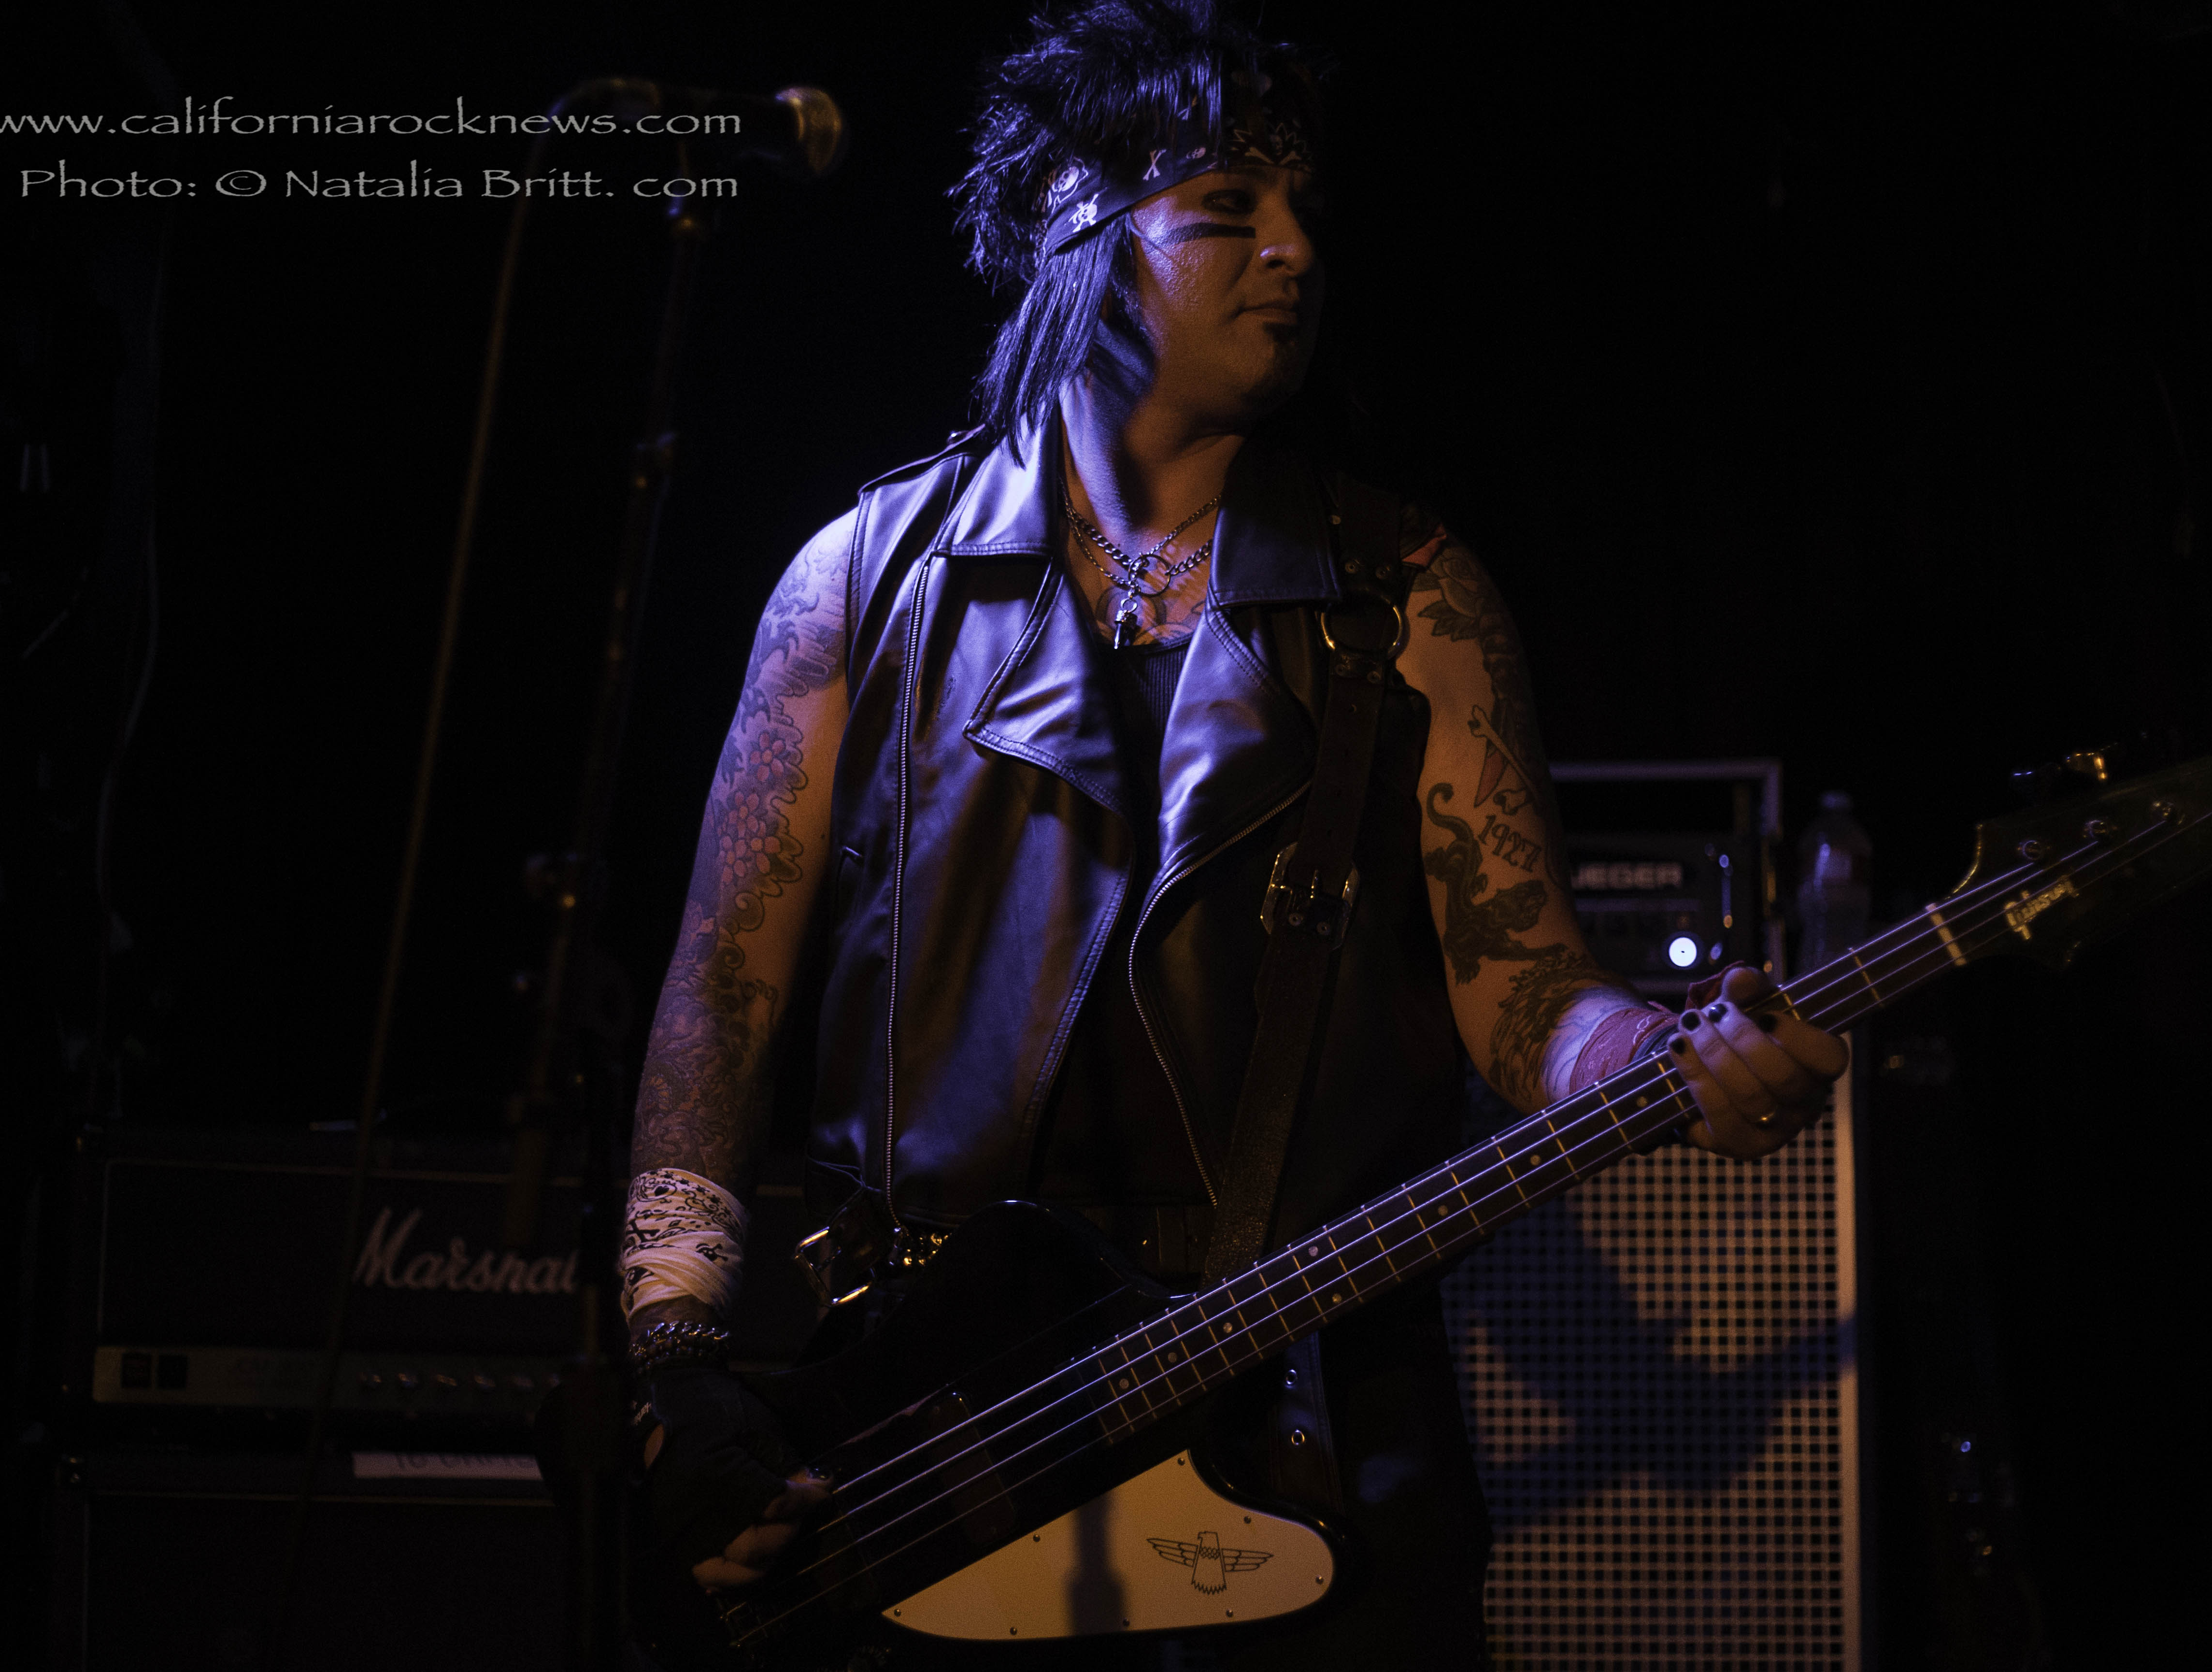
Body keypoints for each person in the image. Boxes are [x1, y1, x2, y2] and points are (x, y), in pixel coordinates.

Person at [614, 3, 1848, 1665]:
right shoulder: (864, 585)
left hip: (1310, 1424)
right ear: (1069, 217)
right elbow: (723, 986)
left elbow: (1528, 992)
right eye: (1226, 207)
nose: (1295, 251)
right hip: (930, 1426)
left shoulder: (1409, 598)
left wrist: (1666, 1057)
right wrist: (679, 1358)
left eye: (1304, 210)